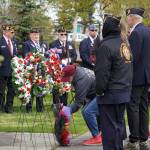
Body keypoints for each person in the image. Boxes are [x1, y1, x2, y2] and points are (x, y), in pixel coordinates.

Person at [95, 16, 132, 150]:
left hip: (110, 94)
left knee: (110, 131)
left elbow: (102, 73)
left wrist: (99, 90)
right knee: (117, 128)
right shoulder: (124, 44)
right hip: (123, 92)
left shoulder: (106, 46)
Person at [125, 8, 150, 150]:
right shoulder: (147, 31)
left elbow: (131, 59)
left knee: (133, 107)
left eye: (128, 17)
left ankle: (134, 140)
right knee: (144, 107)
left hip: (136, 77)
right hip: (146, 76)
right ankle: (144, 140)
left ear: (134, 18)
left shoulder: (136, 33)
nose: (127, 20)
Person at [61, 65, 102, 145]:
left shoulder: (81, 80)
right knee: (86, 111)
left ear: (72, 75)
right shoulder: (78, 70)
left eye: (67, 78)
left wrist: (65, 111)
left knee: (88, 112)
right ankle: (99, 134)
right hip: (97, 92)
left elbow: (78, 104)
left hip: (102, 93)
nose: (67, 81)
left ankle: (97, 137)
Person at [23, 28, 48, 113]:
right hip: (32, 69)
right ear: (30, 35)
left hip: (41, 69)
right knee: (30, 89)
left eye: (37, 34)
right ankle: (29, 108)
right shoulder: (27, 44)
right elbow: (26, 56)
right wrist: (33, 60)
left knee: (40, 87)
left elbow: (46, 55)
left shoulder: (43, 44)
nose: (36, 36)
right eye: (34, 34)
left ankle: (40, 108)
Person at [50, 27, 77, 106]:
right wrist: (60, 61)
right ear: (58, 34)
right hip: (57, 68)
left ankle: (64, 103)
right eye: (61, 34)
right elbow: (52, 56)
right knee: (57, 86)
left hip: (67, 69)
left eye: (65, 34)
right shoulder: (53, 44)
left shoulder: (70, 44)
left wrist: (69, 60)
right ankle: (56, 104)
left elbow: (74, 55)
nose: (63, 35)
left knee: (66, 85)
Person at [0, 24, 18, 113]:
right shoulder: (0, 41)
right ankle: (1, 107)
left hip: (13, 71)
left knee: (11, 91)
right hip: (2, 71)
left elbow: (15, 55)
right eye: (11, 32)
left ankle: (9, 108)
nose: (13, 33)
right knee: (1, 91)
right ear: (5, 32)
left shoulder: (14, 42)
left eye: (13, 32)